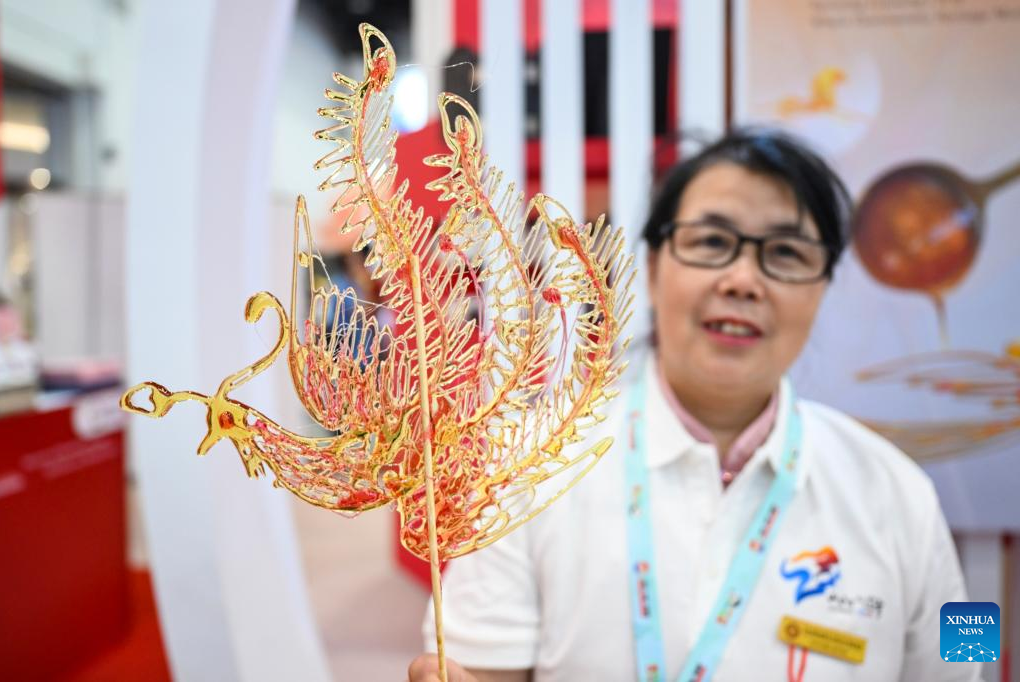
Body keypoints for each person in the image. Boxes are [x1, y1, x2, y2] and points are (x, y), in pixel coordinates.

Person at [407, 129, 977, 682]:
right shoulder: (530, 471)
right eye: (711, 242)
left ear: (823, 285)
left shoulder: (905, 492)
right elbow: (479, 666)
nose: (743, 280)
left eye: (785, 251)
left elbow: (969, 660)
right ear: (654, 268)